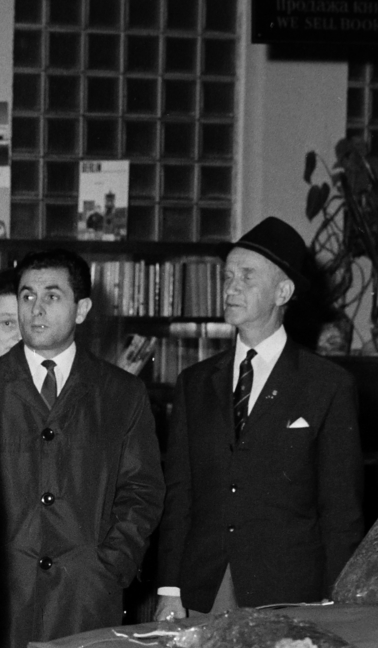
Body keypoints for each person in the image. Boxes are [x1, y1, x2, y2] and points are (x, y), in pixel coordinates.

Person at [0, 249, 163, 648]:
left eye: (51, 296)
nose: (35, 309)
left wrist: (109, 567)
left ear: (82, 308)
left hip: (85, 605)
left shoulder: (121, 393)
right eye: (27, 296)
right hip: (3, 609)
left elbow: (141, 492)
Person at [154, 216, 364, 620]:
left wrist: (341, 604)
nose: (231, 287)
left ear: (282, 291)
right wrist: (169, 589)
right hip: (203, 589)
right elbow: (179, 495)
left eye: (247, 277)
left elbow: (341, 512)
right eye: (228, 275)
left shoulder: (327, 385)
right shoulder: (195, 383)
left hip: (290, 595)